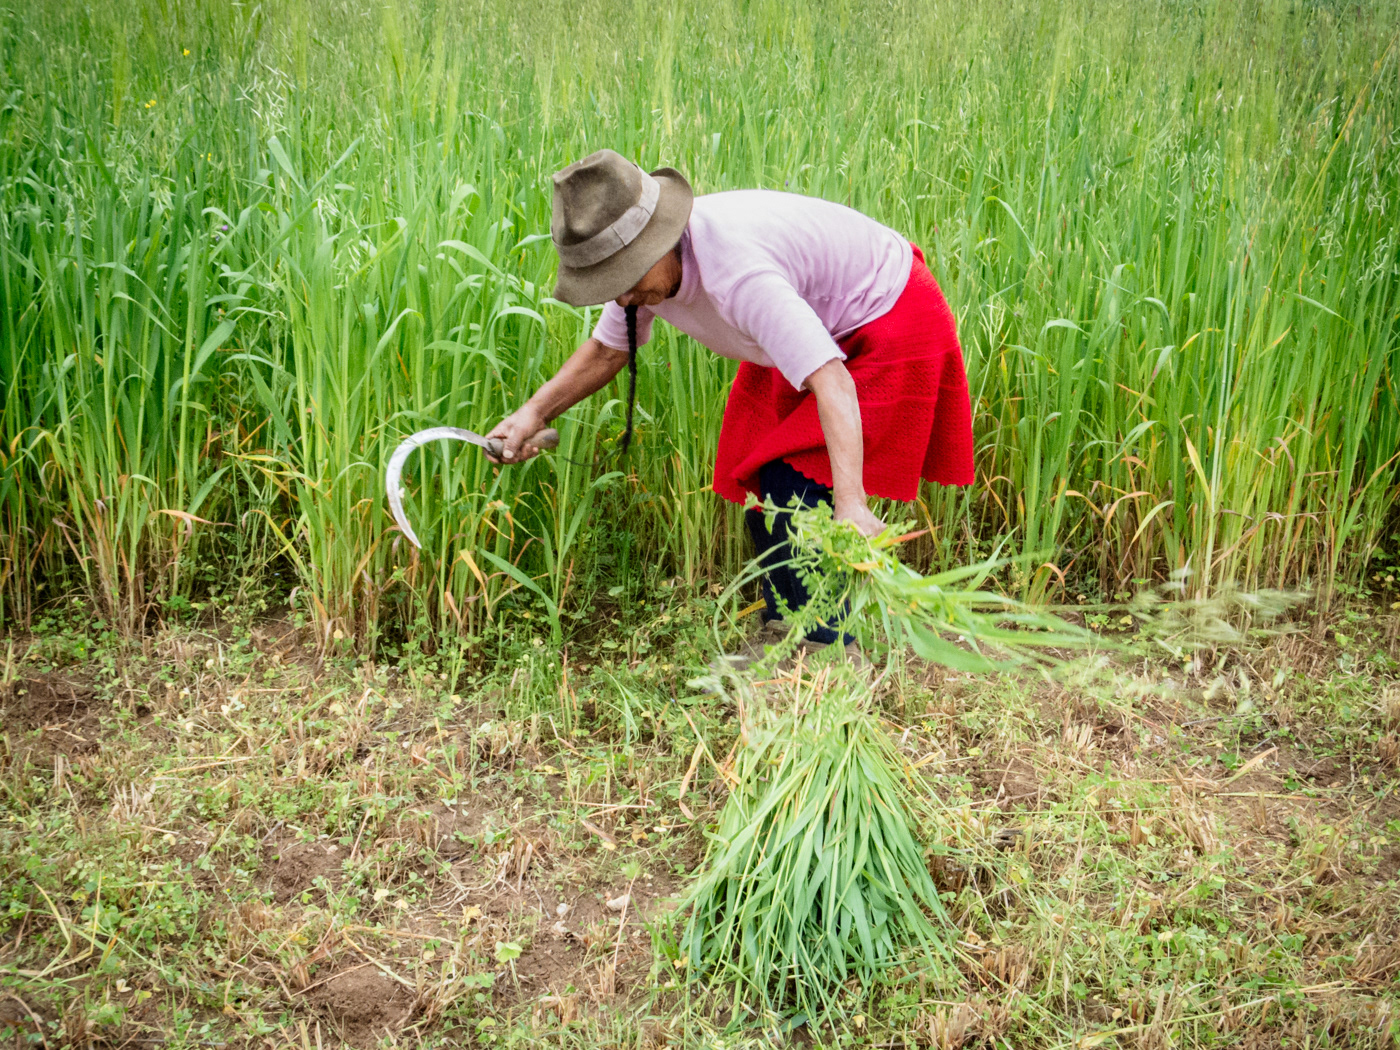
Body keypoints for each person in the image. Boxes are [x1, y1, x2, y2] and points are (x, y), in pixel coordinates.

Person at [488, 149, 974, 648]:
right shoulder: (642, 282)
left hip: (886, 315)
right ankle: (786, 633)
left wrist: (851, 504)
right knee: (759, 482)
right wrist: (533, 413)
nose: (623, 298)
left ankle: (831, 655)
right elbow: (607, 351)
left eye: (624, 279)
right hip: (809, 328)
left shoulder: (739, 275)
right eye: (607, 285)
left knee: (798, 489)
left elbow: (833, 381)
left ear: (659, 242)